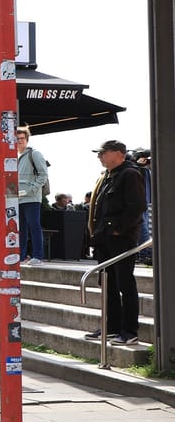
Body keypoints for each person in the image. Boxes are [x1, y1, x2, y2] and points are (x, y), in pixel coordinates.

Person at [85, 140, 146, 345]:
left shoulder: (130, 174)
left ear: (119, 153)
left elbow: (137, 207)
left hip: (120, 239)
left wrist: (120, 229)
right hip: (105, 238)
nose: (99, 156)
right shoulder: (108, 176)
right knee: (108, 284)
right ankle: (112, 327)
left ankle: (129, 331)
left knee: (124, 284)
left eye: (103, 152)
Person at [15, 126, 49, 266]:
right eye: (16, 139)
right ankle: (21, 256)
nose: (19, 141)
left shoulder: (34, 154)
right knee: (21, 228)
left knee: (34, 226)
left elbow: (43, 175)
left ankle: (37, 256)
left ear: (27, 140)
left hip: (31, 198)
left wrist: (32, 189)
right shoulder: (14, 156)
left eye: (22, 138)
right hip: (17, 198)